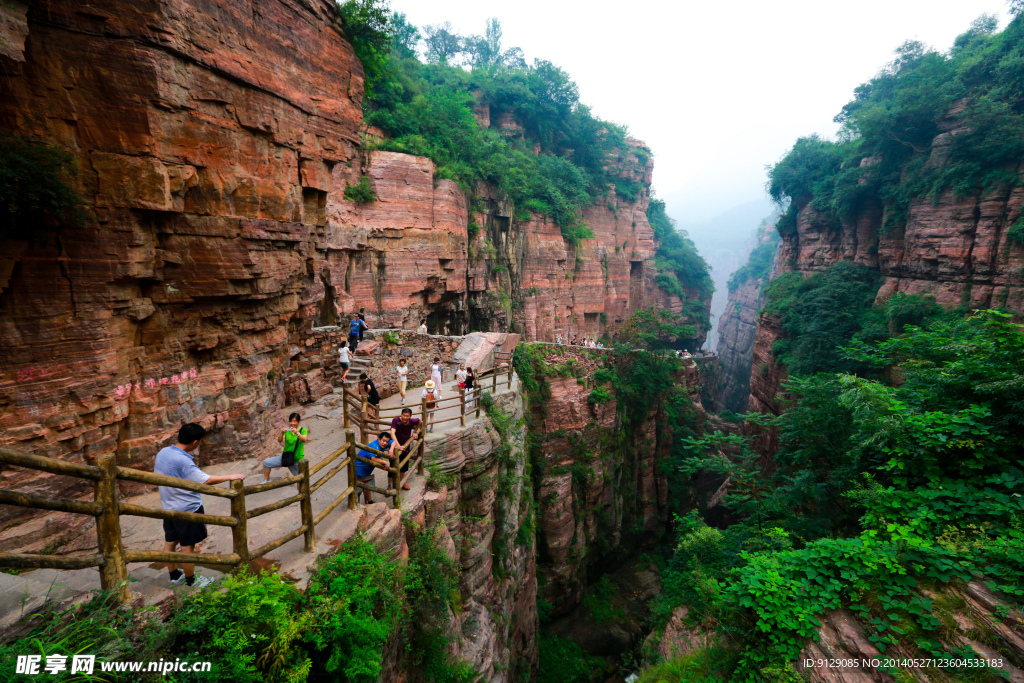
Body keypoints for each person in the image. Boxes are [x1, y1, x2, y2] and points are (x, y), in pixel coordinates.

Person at [154, 423, 244, 588]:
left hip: (168, 507)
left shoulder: (163, 452)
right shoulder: (183, 461)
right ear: (195, 442)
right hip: (187, 509)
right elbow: (205, 480)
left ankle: (174, 575)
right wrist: (230, 475)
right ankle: (191, 581)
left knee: (170, 542)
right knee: (187, 547)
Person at [263, 413, 308, 491]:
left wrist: (297, 433)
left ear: (298, 421)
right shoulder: (287, 430)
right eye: (291, 421)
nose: (293, 423)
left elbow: (304, 439)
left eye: (295, 421)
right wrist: (282, 433)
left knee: (300, 480)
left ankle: (303, 496)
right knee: (266, 462)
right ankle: (266, 480)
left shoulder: (302, 430)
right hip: (286, 457)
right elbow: (279, 440)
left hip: (297, 459)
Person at [389, 408, 421, 491]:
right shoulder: (396, 421)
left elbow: (419, 421)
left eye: (407, 416)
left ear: (410, 416)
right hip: (395, 447)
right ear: (401, 415)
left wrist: (415, 431)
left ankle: (401, 482)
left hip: (406, 447)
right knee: (392, 467)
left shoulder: (412, 421)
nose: (405, 417)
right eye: (403, 415)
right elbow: (392, 433)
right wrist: (398, 446)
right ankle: (389, 486)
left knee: (403, 466)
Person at [355, 431, 391, 504]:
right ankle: (356, 505)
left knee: (367, 486)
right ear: (379, 439)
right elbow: (373, 459)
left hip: (366, 470)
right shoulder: (375, 446)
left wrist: (392, 449)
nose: (385, 443)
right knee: (357, 491)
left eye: (387, 442)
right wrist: (384, 462)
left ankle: (370, 501)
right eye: (383, 440)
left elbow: (393, 442)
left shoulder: (382, 445)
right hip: (358, 469)